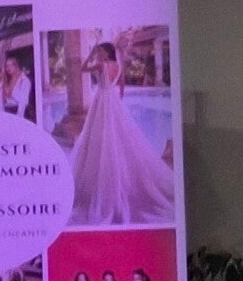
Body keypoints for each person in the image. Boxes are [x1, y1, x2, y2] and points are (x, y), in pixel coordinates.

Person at [70, 37, 175, 225]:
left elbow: (82, 69)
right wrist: (119, 99)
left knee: (101, 135)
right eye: (98, 51)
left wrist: (91, 53)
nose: (99, 54)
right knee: (117, 135)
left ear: (105, 52)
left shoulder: (101, 64)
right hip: (113, 100)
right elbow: (122, 84)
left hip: (102, 100)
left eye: (100, 51)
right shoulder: (117, 65)